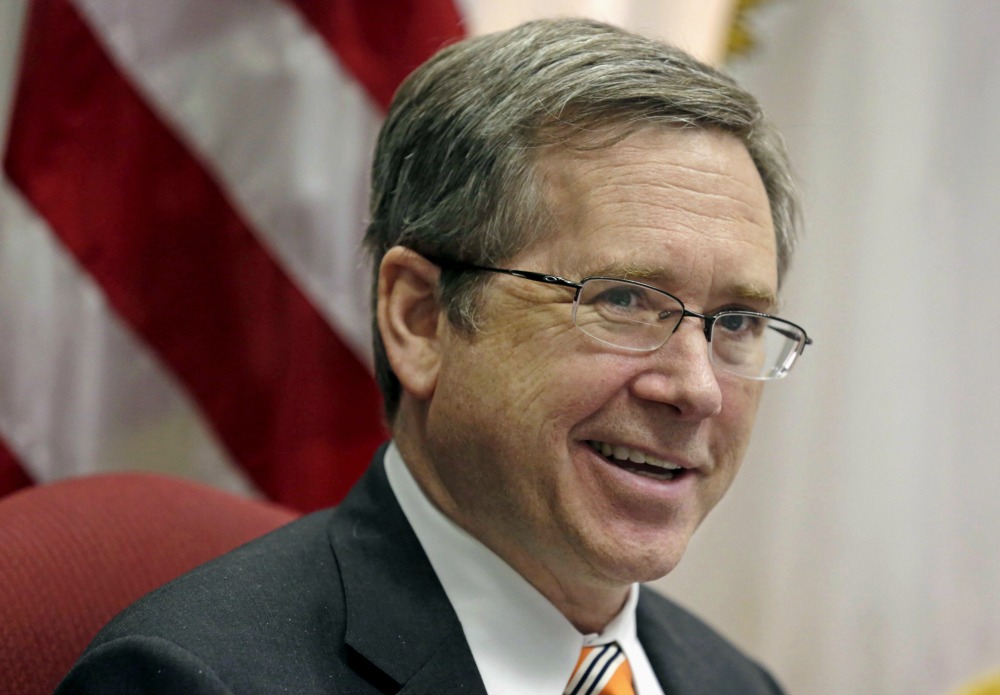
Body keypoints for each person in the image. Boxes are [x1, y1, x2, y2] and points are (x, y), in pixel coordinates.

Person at [57, 17, 811, 694]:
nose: (698, 389)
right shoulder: (193, 679)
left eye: (738, 321)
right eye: (622, 300)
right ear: (420, 319)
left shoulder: (739, 684)